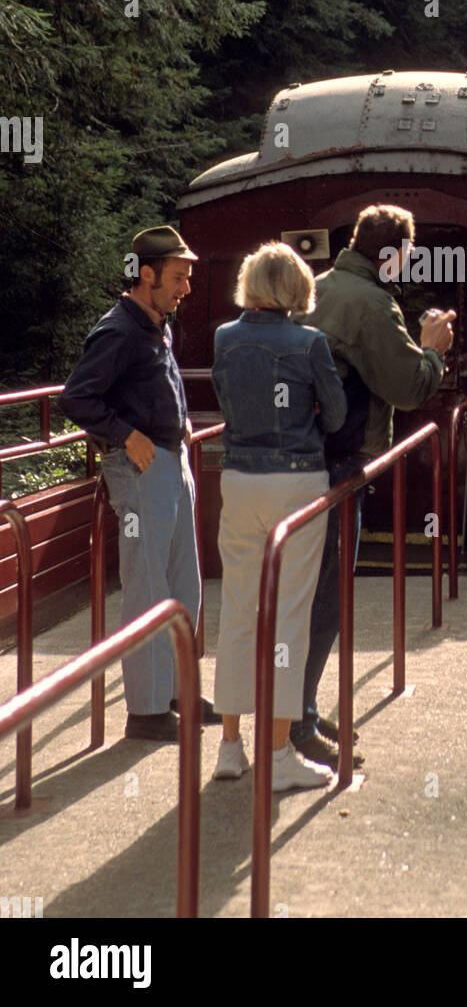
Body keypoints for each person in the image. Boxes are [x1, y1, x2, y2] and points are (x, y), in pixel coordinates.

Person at [291, 203, 455, 768]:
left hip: (296, 460)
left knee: (300, 594)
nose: (409, 268)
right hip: (338, 467)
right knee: (325, 600)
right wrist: (432, 347)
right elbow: (408, 388)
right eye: (407, 258)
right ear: (389, 254)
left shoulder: (318, 286)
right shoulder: (372, 304)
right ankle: (296, 725)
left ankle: (300, 709)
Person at [58, 225, 218, 742]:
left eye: (187, 278)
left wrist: (182, 421)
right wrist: (126, 435)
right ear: (145, 274)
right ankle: (147, 712)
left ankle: (177, 691)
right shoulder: (118, 330)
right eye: (177, 278)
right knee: (148, 587)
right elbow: (77, 398)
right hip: (141, 471)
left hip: (171, 462)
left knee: (183, 583)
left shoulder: (157, 323)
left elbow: (163, 382)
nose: (185, 289)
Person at [210, 242, 347, 790]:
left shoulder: (223, 338)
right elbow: (335, 416)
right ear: (296, 289)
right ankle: (279, 757)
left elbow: (227, 400)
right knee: (289, 617)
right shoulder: (310, 343)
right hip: (296, 482)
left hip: (239, 479)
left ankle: (229, 746)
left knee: (238, 611)